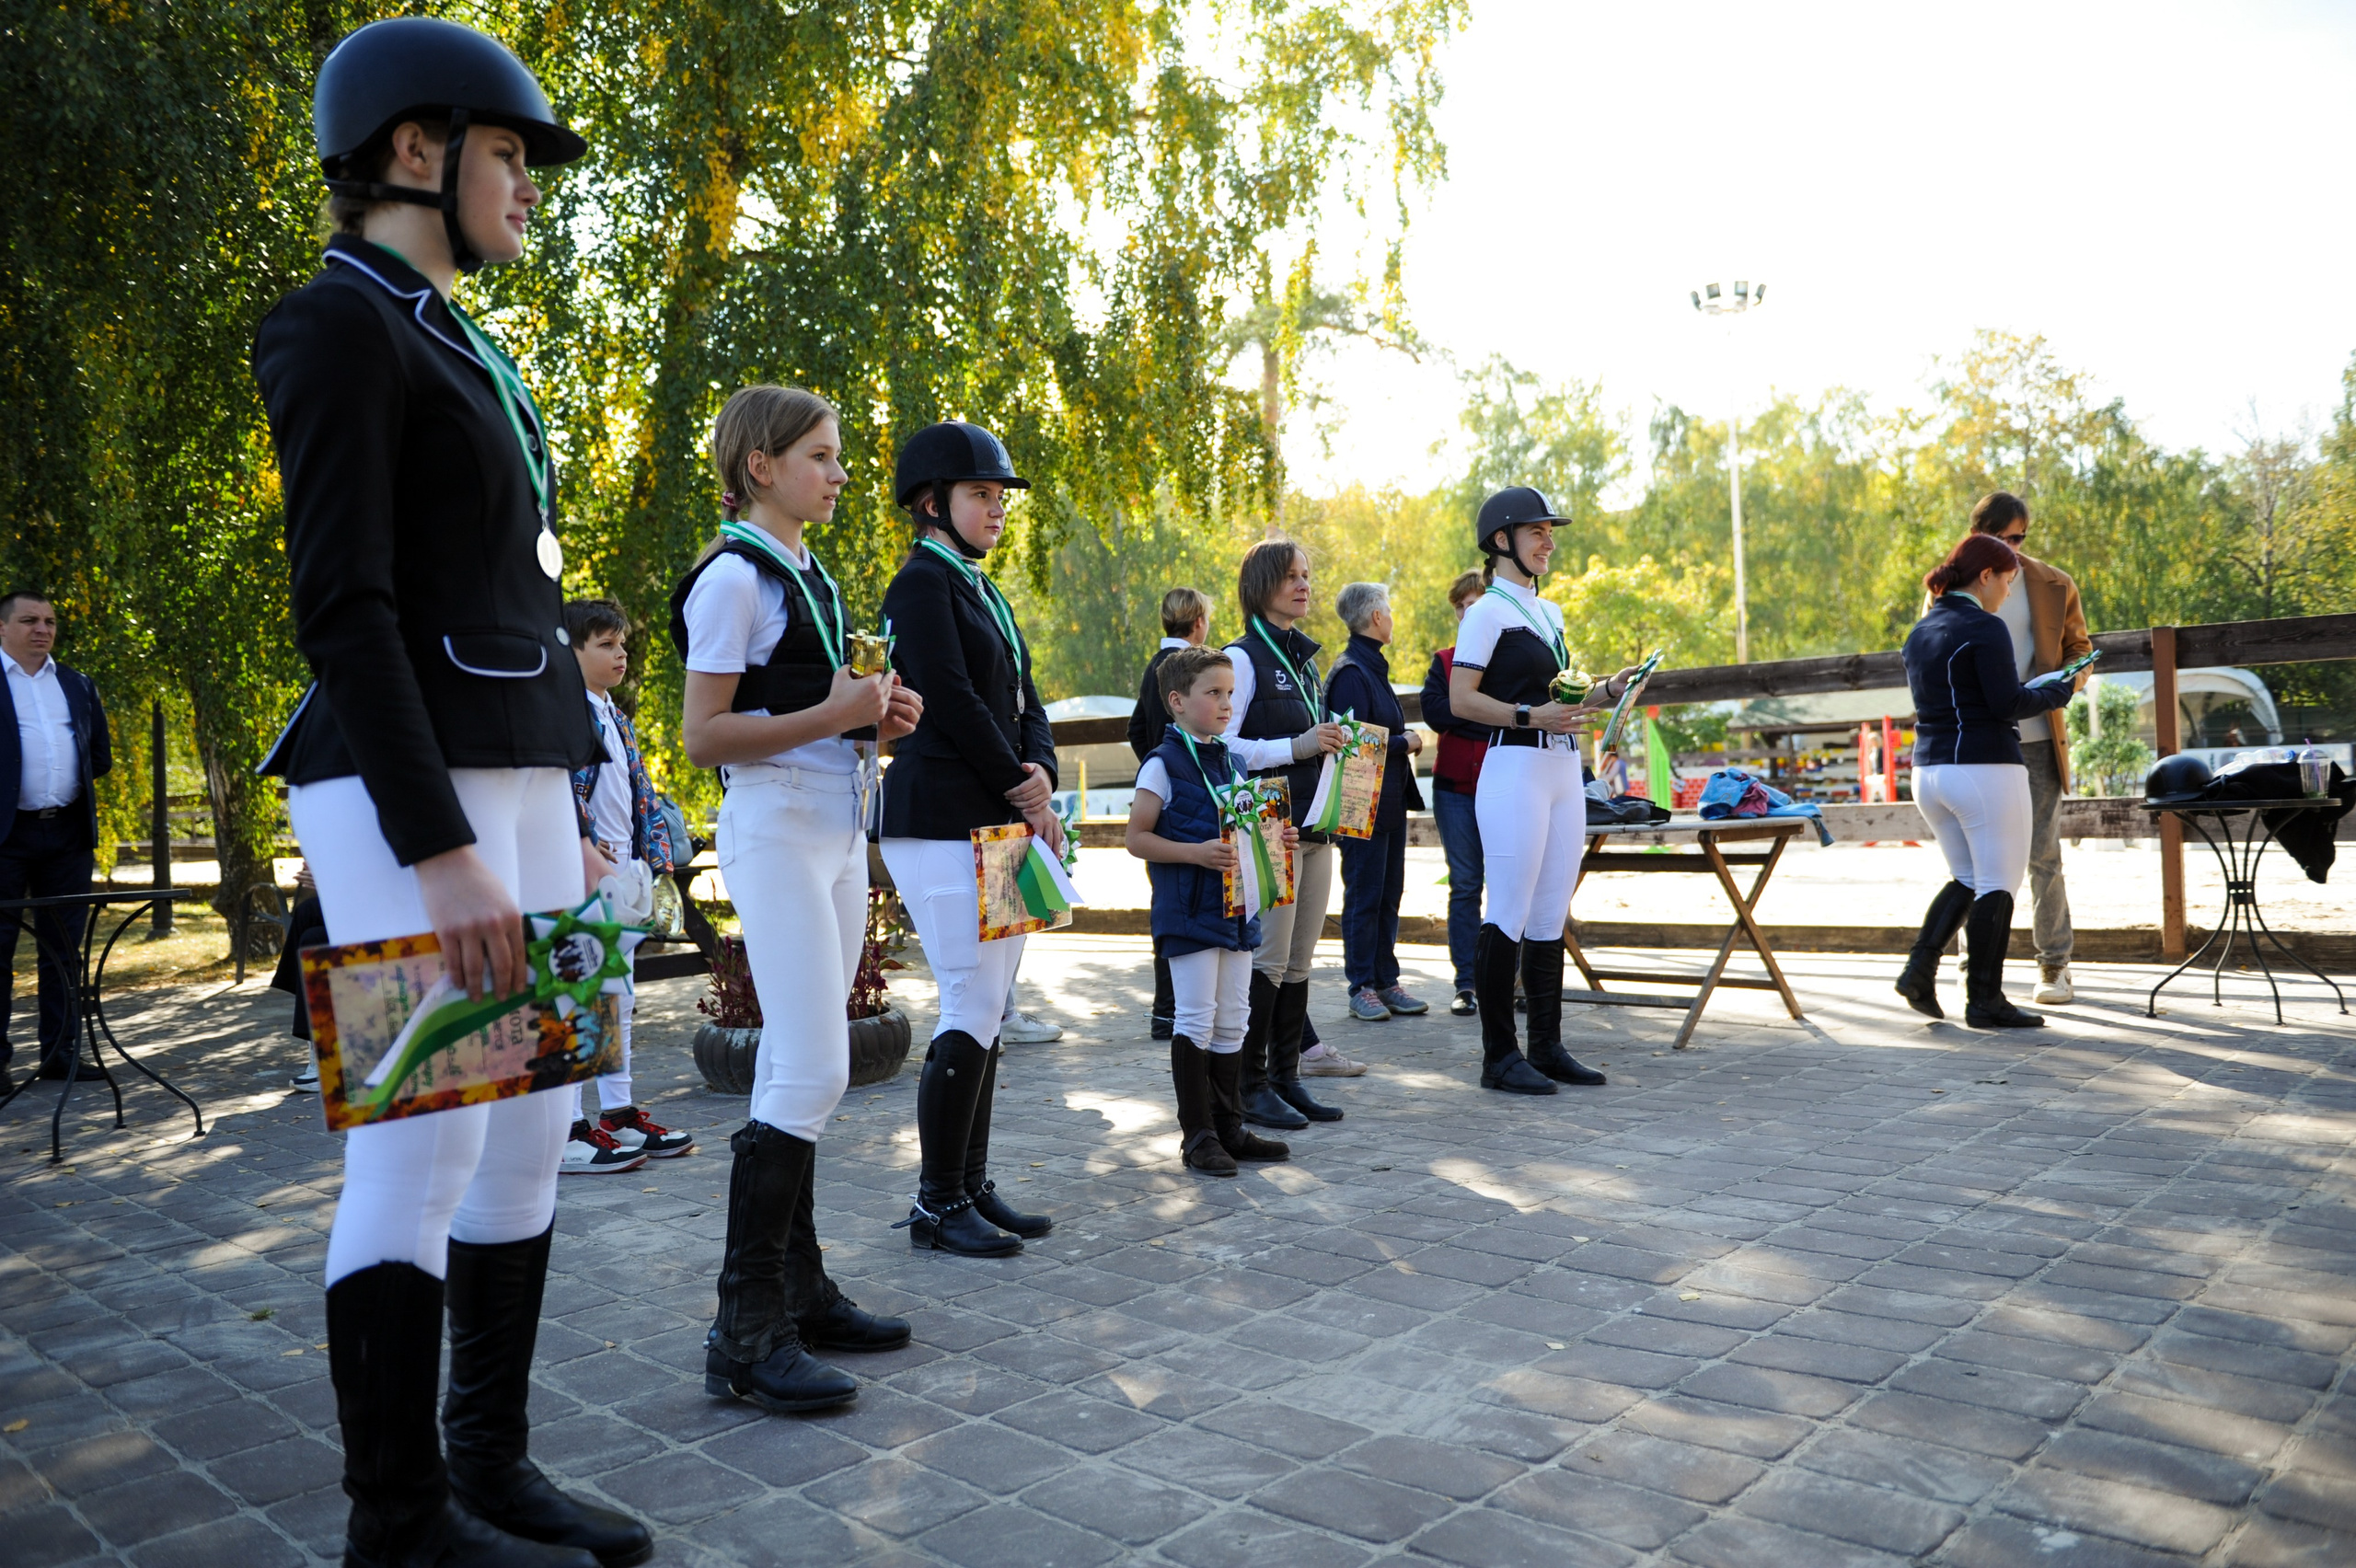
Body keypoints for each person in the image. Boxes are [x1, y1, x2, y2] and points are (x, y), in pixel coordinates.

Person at [252, 17, 648, 1565]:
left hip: (523, 766)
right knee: (422, 1148)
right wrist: (440, 848)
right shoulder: (337, 324)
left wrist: (552, 807)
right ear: (415, 153)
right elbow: (343, 607)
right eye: (511, 155)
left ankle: (489, 1464)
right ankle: (398, 1524)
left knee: (536, 1125)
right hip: (405, 785)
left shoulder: (458, 337)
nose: (532, 186)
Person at [673, 385, 921, 1413]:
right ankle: (744, 1331)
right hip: (774, 824)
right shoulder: (733, 576)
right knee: (815, 1064)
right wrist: (833, 713)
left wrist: (872, 719)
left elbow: (807, 708)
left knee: (793, 1062)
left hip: (830, 824)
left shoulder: (804, 572)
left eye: (838, 455)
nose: (840, 473)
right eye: (821, 455)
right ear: (760, 465)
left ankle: (798, 1294)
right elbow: (703, 736)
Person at [880, 421, 1061, 1256]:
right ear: (931, 503)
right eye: (980, 494)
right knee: (969, 1001)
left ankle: (971, 1185)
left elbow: (1027, 698)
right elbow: (950, 698)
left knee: (988, 1007)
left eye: (999, 496)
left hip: (999, 822)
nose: (996, 508)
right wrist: (1022, 786)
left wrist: (1042, 771)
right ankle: (937, 1202)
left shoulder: (984, 589)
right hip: (941, 818)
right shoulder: (920, 585)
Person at [1447, 488, 1634, 1095]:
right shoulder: (1485, 613)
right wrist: (1529, 716)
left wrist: (1610, 688)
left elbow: (1561, 700)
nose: (1549, 542)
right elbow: (1461, 700)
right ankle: (1498, 1056)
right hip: (1514, 770)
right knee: (1509, 909)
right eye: (1538, 532)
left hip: (1562, 769)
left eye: (1551, 532)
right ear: (1502, 540)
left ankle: (1546, 1046)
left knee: (1552, 912)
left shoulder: (1549, 612)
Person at [1125, 646, 1298, 1175]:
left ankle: (1229, 1127)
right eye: (1214, 693)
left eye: (1230, 693)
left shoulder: (1234, 760)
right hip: (1189, 911)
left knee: (1234, 1019)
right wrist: (1194, 854)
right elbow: (1136, 838)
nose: (1227, 704)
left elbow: (1247, 833)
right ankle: (1197, 1137)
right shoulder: (1161, 764)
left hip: (1237, 911)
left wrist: (1277, 840)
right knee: (1196, 1018)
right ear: (1177, 701)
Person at [1895, 532, 2076, 1029]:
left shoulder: (1920, 630)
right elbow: (2006, 703)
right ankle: (1985, 1000)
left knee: (1968, 878)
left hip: (1929, 772)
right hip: (1984, 768)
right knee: (1998, 883)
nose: (2009, 592)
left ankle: (1919, 969)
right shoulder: (1986, 626)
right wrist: (2058, 691)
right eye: (2008, 581)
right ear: (1986, 575)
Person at [1221, 540, 1350, 1130]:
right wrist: (1294, 747)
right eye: (1291, 576)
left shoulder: (1306, 662)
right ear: (1262, 584)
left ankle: (1286, 1078)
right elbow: (1222, 746)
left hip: (1314, 826)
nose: (1304, 585)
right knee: (1270, 958)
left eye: (1307, 575)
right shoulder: (1241, 658)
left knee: (1300, 960)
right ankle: (1249, 1086)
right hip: (1269, 826)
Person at [561, 598, 689, 1171]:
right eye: (606, 645)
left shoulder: (614, 714)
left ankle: (616, 1112)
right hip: (579, 877)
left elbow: (638, 794)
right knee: (578, 996)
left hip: (621, 879)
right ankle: (567, 1127)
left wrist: (653, 862)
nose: (621, 654)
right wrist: (586, 840)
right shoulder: (564, 714)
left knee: (617, 998)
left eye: (622, 644)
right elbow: (561, 789)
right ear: (571, 651)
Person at [1967, 492, 2092, 1005]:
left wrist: (2067, 682)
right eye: (2000, 538)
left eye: (2018, 538)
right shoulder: (1953, 584)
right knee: (1977, 856)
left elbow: (2080, 648)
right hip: (1978, 740)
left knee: (2043, 855)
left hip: (2038, 736)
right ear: (1977, 536)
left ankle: (2054, 964)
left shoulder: (2055, 582)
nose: (2011, 549)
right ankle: (1974, 964)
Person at [0, 591, 110, 1091]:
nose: (42, 629)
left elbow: (98, 756)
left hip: (67, 833)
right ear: (3, 628)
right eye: (29, 620)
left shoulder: (77, 683)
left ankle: (60, 1054)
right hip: (4, 836)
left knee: (64, 949)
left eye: (49, 621)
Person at [1324, 582, 1428, 1026]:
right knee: (1364, 896)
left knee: (1389, 894)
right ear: (1376, 617)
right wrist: (1407, 741)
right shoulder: (1351, 673)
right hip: (1359, 802)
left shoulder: (1372, 667)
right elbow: (1354, 742)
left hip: (1388, 801)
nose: (1392, 618)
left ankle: (1387, 980)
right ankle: (1361, 986)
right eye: (1389, 610)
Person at [1130, 586, 1212, 1041]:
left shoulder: (1152, 664)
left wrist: (1154, 772)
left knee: (1169, 902)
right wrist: (1167, 769)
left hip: (1164, 797)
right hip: (1183, 803)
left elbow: (1134, 728)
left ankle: (1168, 1010)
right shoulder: (1187, 667)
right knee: (1181, 906)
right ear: (1198, 622)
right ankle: (1170, 1012)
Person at [1419, 571, 1489, 1017]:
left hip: (1503, 788)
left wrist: (1464, 710)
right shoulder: (1443, 661)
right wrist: (1485, 713)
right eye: (1459, 606)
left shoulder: (1508, 662)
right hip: (1454, 790)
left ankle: (1509, 979)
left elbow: (1517, 717)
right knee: (1465, 884)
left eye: (1472, 604)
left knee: (1508, 886)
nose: (1465, 613)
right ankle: (1467, 983)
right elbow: (1436, 713)